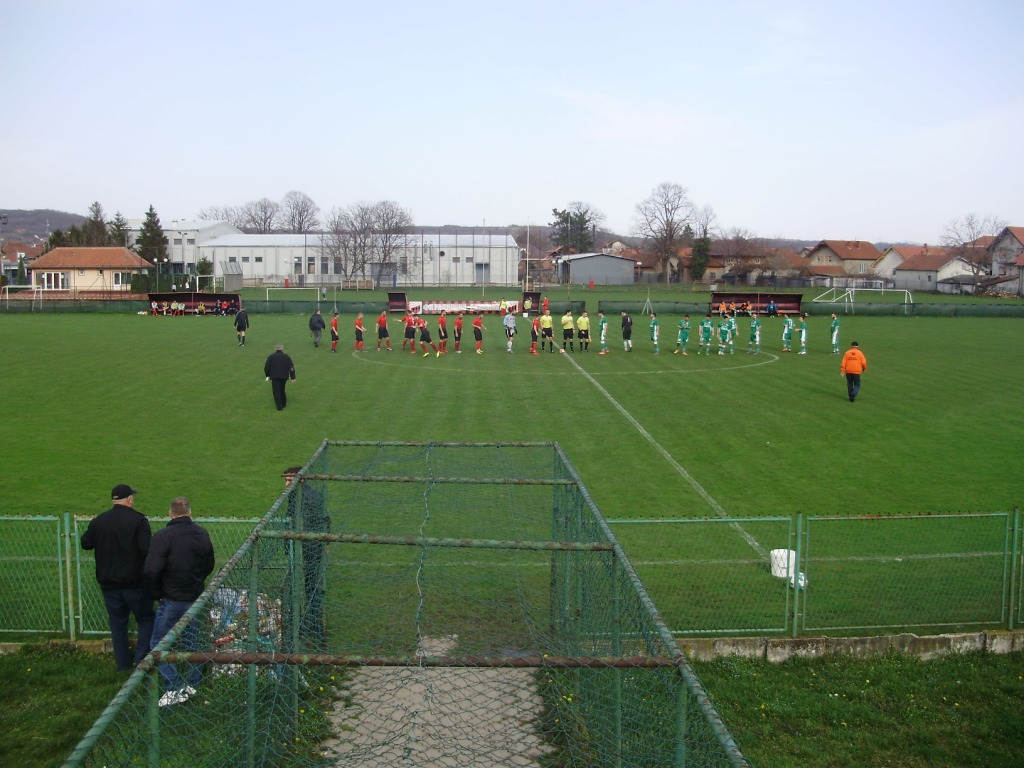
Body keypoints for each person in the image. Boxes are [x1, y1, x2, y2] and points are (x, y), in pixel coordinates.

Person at [144, 496, 215, 707]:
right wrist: (197, 581)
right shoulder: (202, 533)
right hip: (195, 596)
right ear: (190, 513)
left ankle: (174, 686)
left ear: (170, 513)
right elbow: (209, 563)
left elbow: (151, 570)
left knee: (158, 643)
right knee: (192, 641)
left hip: (172, 598)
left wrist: (157, 592)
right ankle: (192, 684)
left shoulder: (163, 537)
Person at [80, 484, 155, 672]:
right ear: (129, 499)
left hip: (109, 583)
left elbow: (86, 543)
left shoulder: (100, 521)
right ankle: (141, 663)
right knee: (145, 620)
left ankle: (122, 665)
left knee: (117, 623)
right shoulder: (139, 521)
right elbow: (147, 550)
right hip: (135, 583)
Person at [283, 467, 329, 651]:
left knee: (310, 588)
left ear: (300, 480)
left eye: (288, 480)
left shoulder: (305, 498)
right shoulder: (298, 495)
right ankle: (309, 624)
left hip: (308, 549)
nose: (285, 484)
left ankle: (313, 627)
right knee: (306, 587)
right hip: (308, 547)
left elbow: (314, 521)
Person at [264, 344, 296, 411]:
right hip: (284, 376)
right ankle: (283, 403)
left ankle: (279, 406)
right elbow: (291, 367)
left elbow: (266, 367)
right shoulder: (286, 357)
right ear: (282, 349)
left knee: (276, 391)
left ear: (275, 349)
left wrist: (268, 375)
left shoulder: (271, 357)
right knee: (282, 389)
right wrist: (293, 377)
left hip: (275, 376)